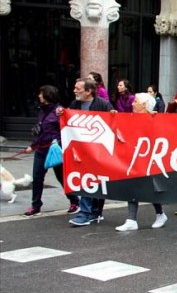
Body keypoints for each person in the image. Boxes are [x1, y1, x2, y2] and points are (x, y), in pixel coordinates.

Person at [23, 85, 79, 217]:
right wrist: (33, 145)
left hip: (54, 151)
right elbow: (42, 131)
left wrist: (58, 142)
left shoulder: (59, 111)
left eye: (41, 94)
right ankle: (36, 206)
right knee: (37, 178)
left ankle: (74, 201)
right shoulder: (41, 110)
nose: (39, 96)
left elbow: (65, 130)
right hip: (41, 150)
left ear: (47, 95)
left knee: (61, 177)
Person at [115, 93, 168, 231]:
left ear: (144, 105)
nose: (132, 103)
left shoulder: (154, 119)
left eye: (136, 101)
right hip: (134, 157)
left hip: (149, 158)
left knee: (149, 188)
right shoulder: (130, 118)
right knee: (132, 185)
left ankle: (160, 214)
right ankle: (131, 219)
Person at [65, 78, 114, 226]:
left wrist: (113, 114)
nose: (74, 90)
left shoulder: (103, 104)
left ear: (88, 91)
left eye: (78, 88)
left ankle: (88, 213)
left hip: (98, 151)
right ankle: (89, 212)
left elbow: (113, 123)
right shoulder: (75, 104)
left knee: (92, 181)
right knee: (86, 180)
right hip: (81, 151)